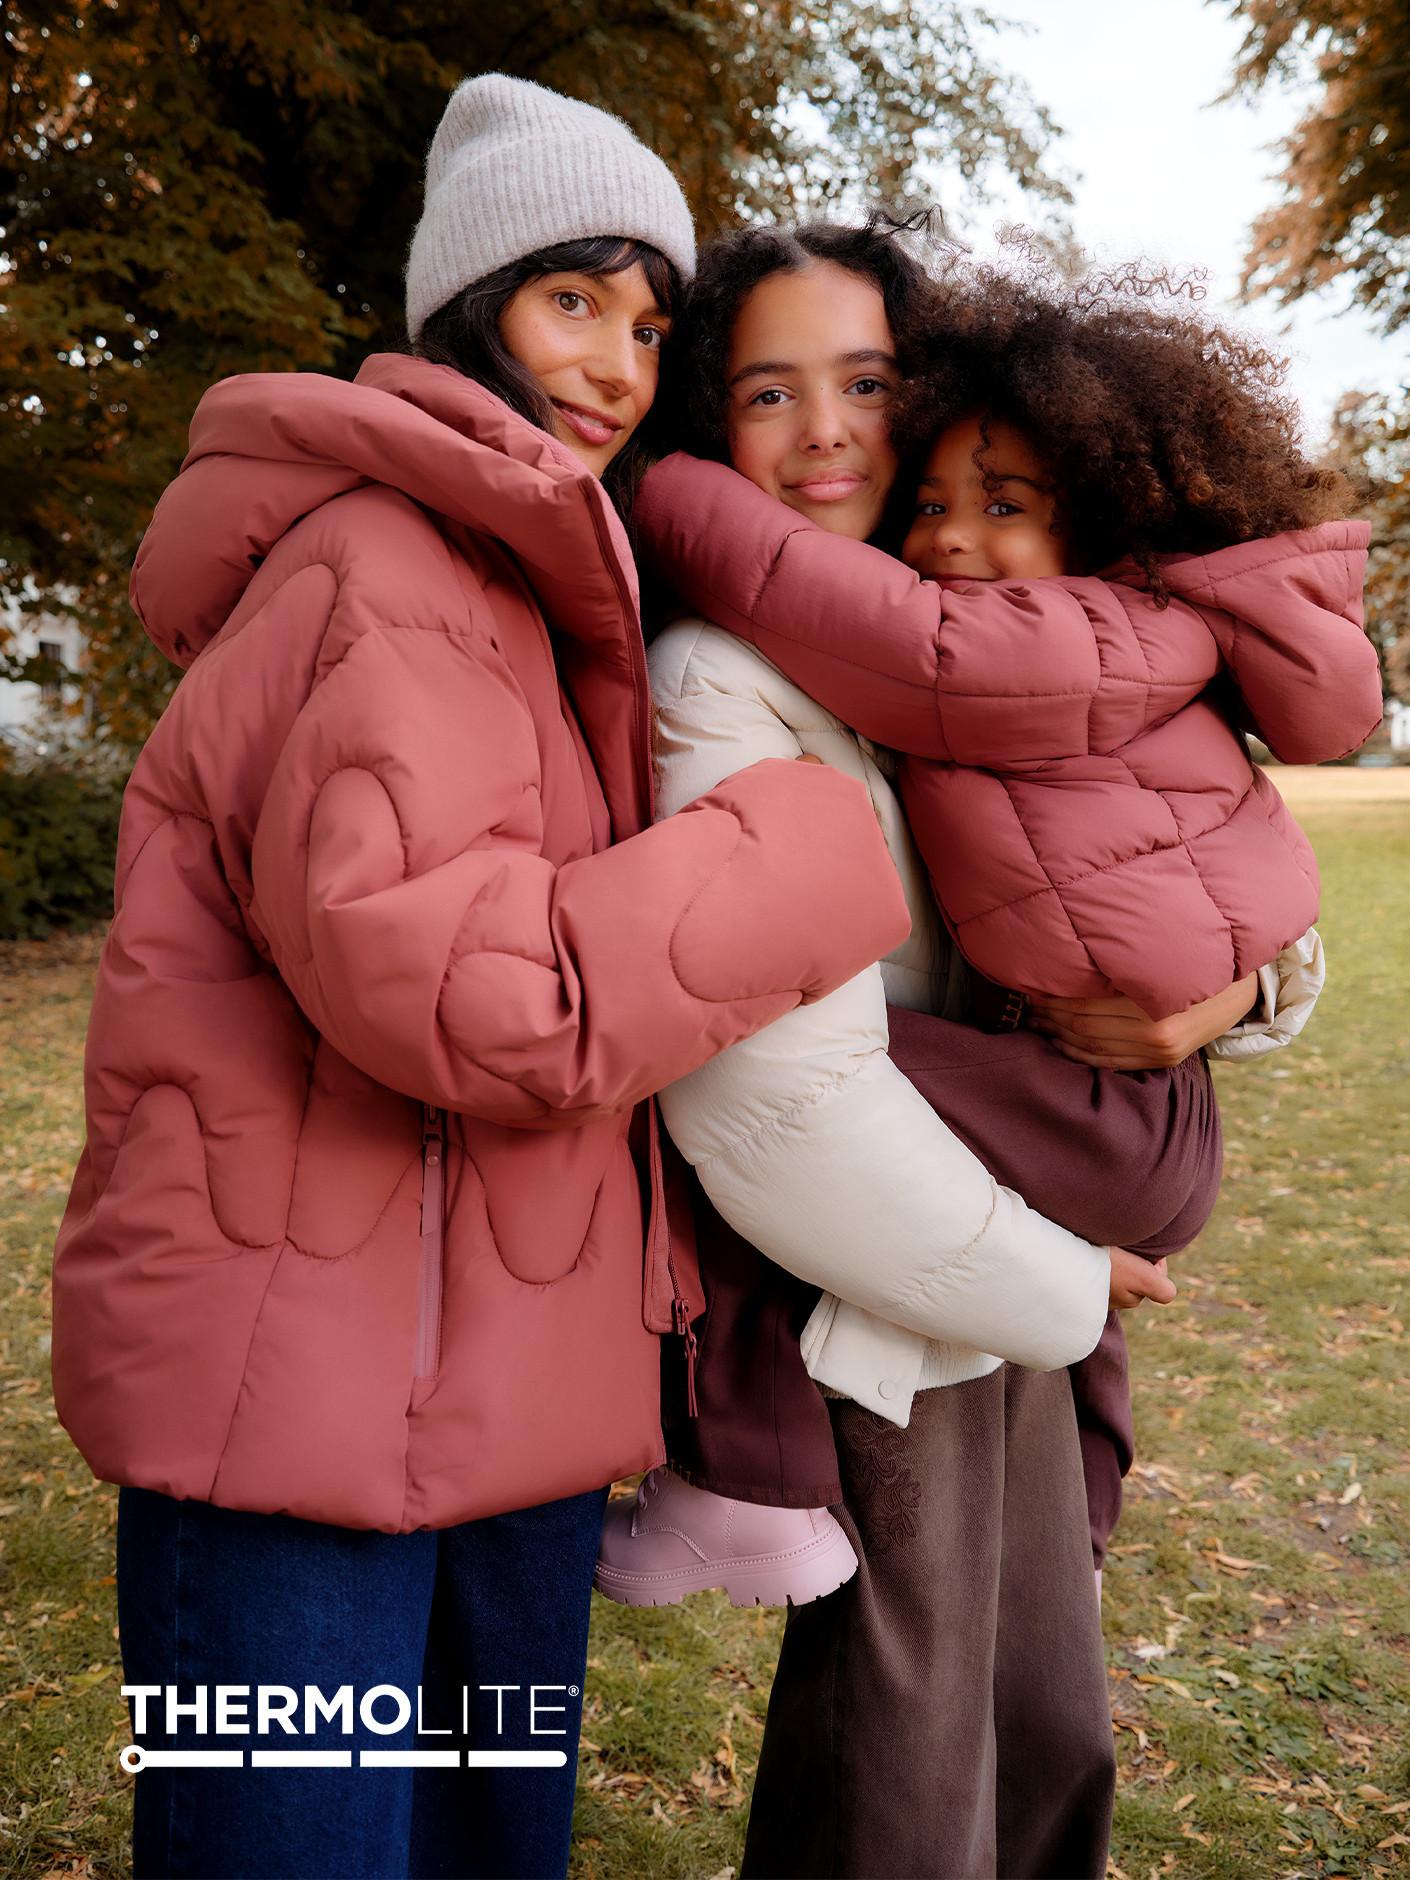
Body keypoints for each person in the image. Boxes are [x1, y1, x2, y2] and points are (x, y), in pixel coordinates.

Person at [48, 82, 909, 1880]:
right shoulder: (387, 565)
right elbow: (469, 997)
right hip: (292, 1424)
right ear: (468, 311)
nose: (613, 361)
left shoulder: (528, 581)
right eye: (569, 301)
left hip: (493, 1409)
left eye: (646, 320)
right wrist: (816, 852)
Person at [600, 221, 1345, 1878]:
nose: (828, 434)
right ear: (713, 428)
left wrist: (1229, 1004)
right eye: (768, 392)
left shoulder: (971, 654)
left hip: (1011, 1241)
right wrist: (1063, 1286)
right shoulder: (725, 676)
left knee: (1041, 1713)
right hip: (898, 1275)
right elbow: (778, 1094)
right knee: (910, 1747)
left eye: (864, 382)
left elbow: (1224, 878)